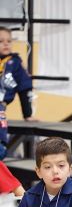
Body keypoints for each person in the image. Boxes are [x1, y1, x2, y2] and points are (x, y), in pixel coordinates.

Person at [0, 26, 37, 160]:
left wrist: (27, 114)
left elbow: (24, 88)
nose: (6, 43)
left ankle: (1, 147)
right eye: (1, 41)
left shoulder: (15, 63)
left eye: (9, 41)